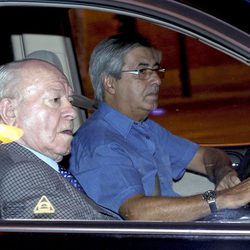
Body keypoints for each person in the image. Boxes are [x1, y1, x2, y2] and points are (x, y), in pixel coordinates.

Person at [69, 33, 250, 222]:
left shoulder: (144, 128)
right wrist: (225, 198)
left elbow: (207, 156)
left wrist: (224, 174)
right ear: (110, 83)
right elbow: (137, 213)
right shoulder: (100, 143)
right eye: (143, 72)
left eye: (156, 70)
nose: (157, 80)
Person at [0, 58, 121, 220]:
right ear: (9, 112)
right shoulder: (23, 173)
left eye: (70, 101)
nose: (72, 112)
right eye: (55, 100)